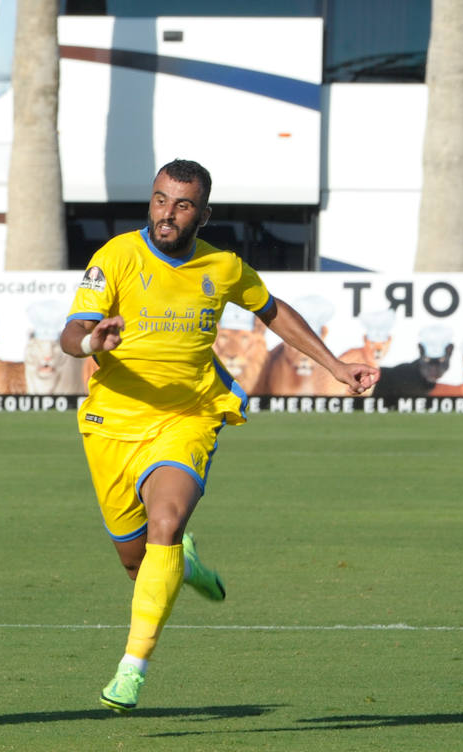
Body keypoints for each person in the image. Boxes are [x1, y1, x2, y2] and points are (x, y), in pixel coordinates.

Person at [62, 159, 379, 713]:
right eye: (161, 199)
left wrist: (334, 365)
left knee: (164, 522)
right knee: (137, 562)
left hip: (190, 415)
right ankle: (184, 564)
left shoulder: (223, 266)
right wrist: (93, 344)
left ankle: (131, 669)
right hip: (113, 422)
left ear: (203, 214)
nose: (168, 213)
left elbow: (274, 312)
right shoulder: (115, 256)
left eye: (182, 205)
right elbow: (71, 333)